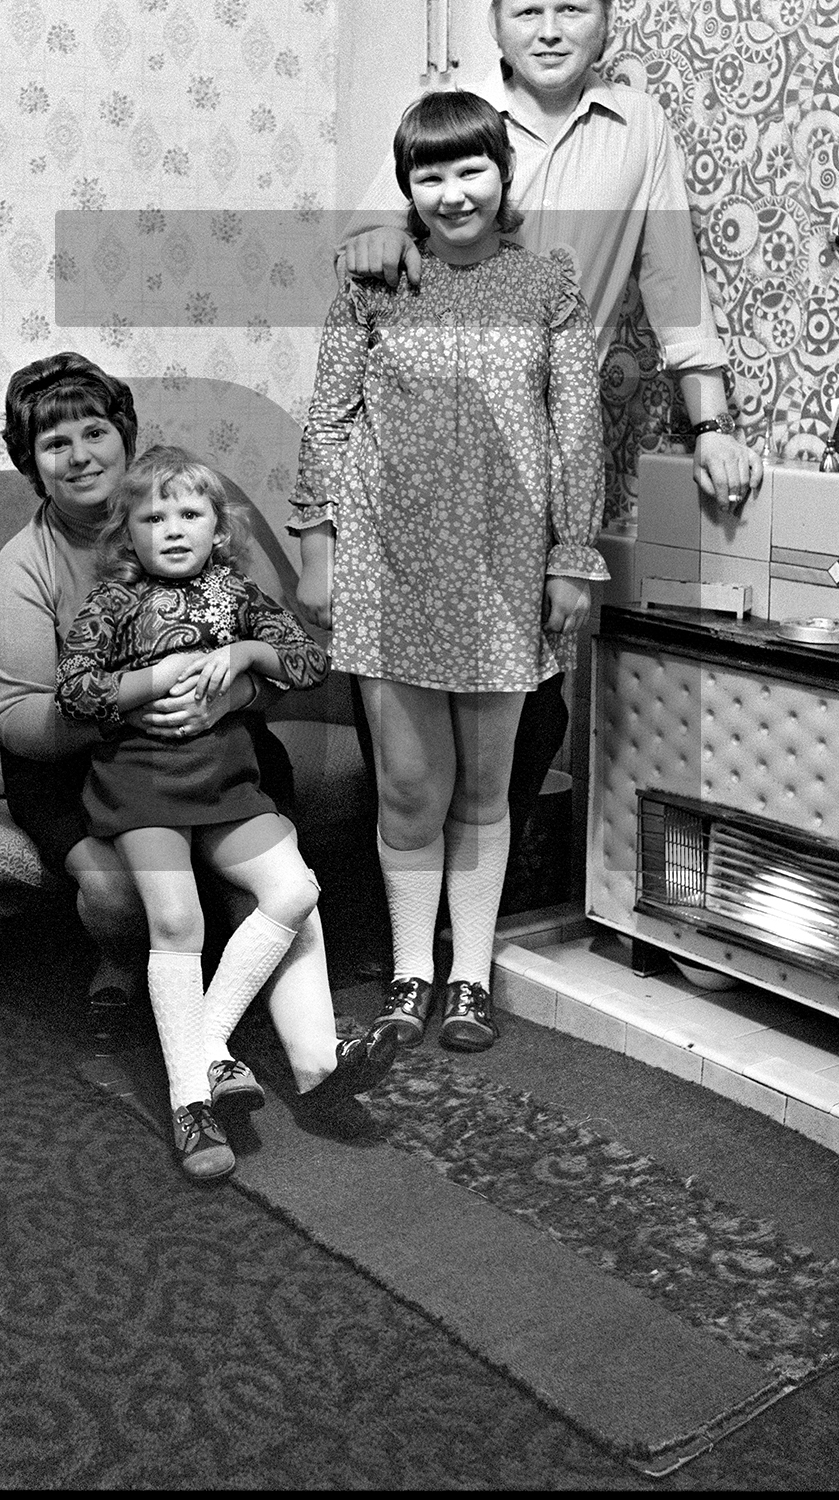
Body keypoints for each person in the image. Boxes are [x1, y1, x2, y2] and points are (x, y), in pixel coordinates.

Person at [336, 0, 762, 937]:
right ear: (494, 26)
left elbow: (672, 280)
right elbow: (364, 247)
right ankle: (403, 934)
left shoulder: (640, 128)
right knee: (410, 712)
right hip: (419, 458)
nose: (550, 28)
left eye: (571, 8)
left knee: (526, 701)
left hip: (547, 458)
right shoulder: (457, 126)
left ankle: (467, 934)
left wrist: (712, 424)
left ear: (605, 18)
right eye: (528, 10)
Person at [0, 355, 391, 1170]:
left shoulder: (197, 529)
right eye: (56, 442)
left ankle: (313, 1060)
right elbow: (27, 720)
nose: (81, 453)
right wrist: (148, 698)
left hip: (219, 751)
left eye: (96, 431)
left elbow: (279, 649)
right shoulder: (29, 568)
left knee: (279, 883)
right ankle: (147, 999)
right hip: (82, 761)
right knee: (145, 902)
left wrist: (231, 692)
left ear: (127, 440)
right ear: (32, 465)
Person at [293, 90, 608, 1052]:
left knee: (484, 791)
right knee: (407, 795)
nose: (453, 192)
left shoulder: (548, 283)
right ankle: (410, 974)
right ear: (408, 189)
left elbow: (577, 429)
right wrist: (319, 547)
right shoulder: (371, 285)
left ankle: (469, 977)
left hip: (506, 574)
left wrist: (573, 557)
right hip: (387, 575)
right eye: (430, 175)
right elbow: (330, 418)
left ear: (503, 176)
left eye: (471, 169)